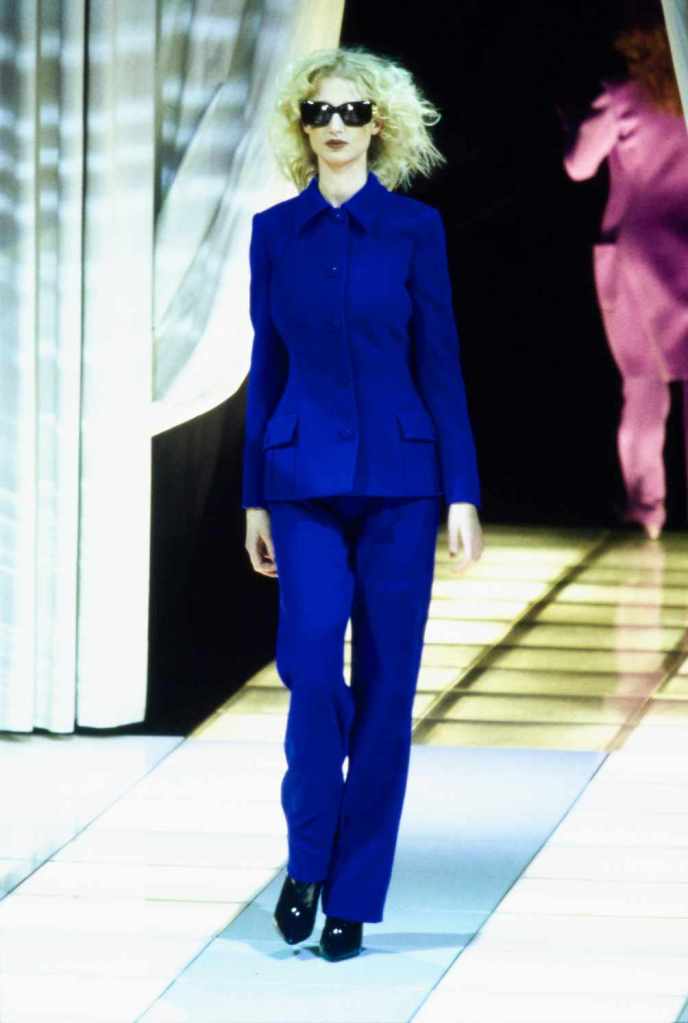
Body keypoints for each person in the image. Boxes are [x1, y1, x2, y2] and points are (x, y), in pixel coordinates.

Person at [242, 45, 483, 962]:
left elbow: (440, 362)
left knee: (386, 691)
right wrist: (253, 498)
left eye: (351, 111)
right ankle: (309, 854)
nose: (335, 125)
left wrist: (461, 489)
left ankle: (352, 891)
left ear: (378, 123)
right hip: (300, 479)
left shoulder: (415, 229)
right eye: (319, 112)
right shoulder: (274, 231)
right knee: (310, 664)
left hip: (401, 483)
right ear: (301, 128)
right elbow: (265, 365)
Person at [562, 6, 688, 540]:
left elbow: (578, 167)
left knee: (643, 383)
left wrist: (572, 127)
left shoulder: (623, 96)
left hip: (637, 251)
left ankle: (647, 507)